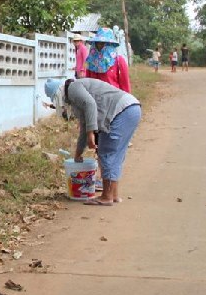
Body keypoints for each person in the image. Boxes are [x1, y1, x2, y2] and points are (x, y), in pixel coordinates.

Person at [46, 78, 141, 207]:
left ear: (59, 94)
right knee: (117, 154)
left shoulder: (73, 88)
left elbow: (91, 105)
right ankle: (114, 195)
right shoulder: (76, 99)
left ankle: (106, 197)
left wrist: (91, 133)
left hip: (121, 111)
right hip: (131, 109)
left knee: (106, 151)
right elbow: (84, 126)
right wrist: (78, 153)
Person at [84, 27, 131, 92]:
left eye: (103, 43)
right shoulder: (91, 60)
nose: (99, 45)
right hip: (94, 99)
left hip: (113, 99)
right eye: (97, 43)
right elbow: (87, 82)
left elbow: (125, 86)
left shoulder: (119, 61)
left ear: (109, 44)